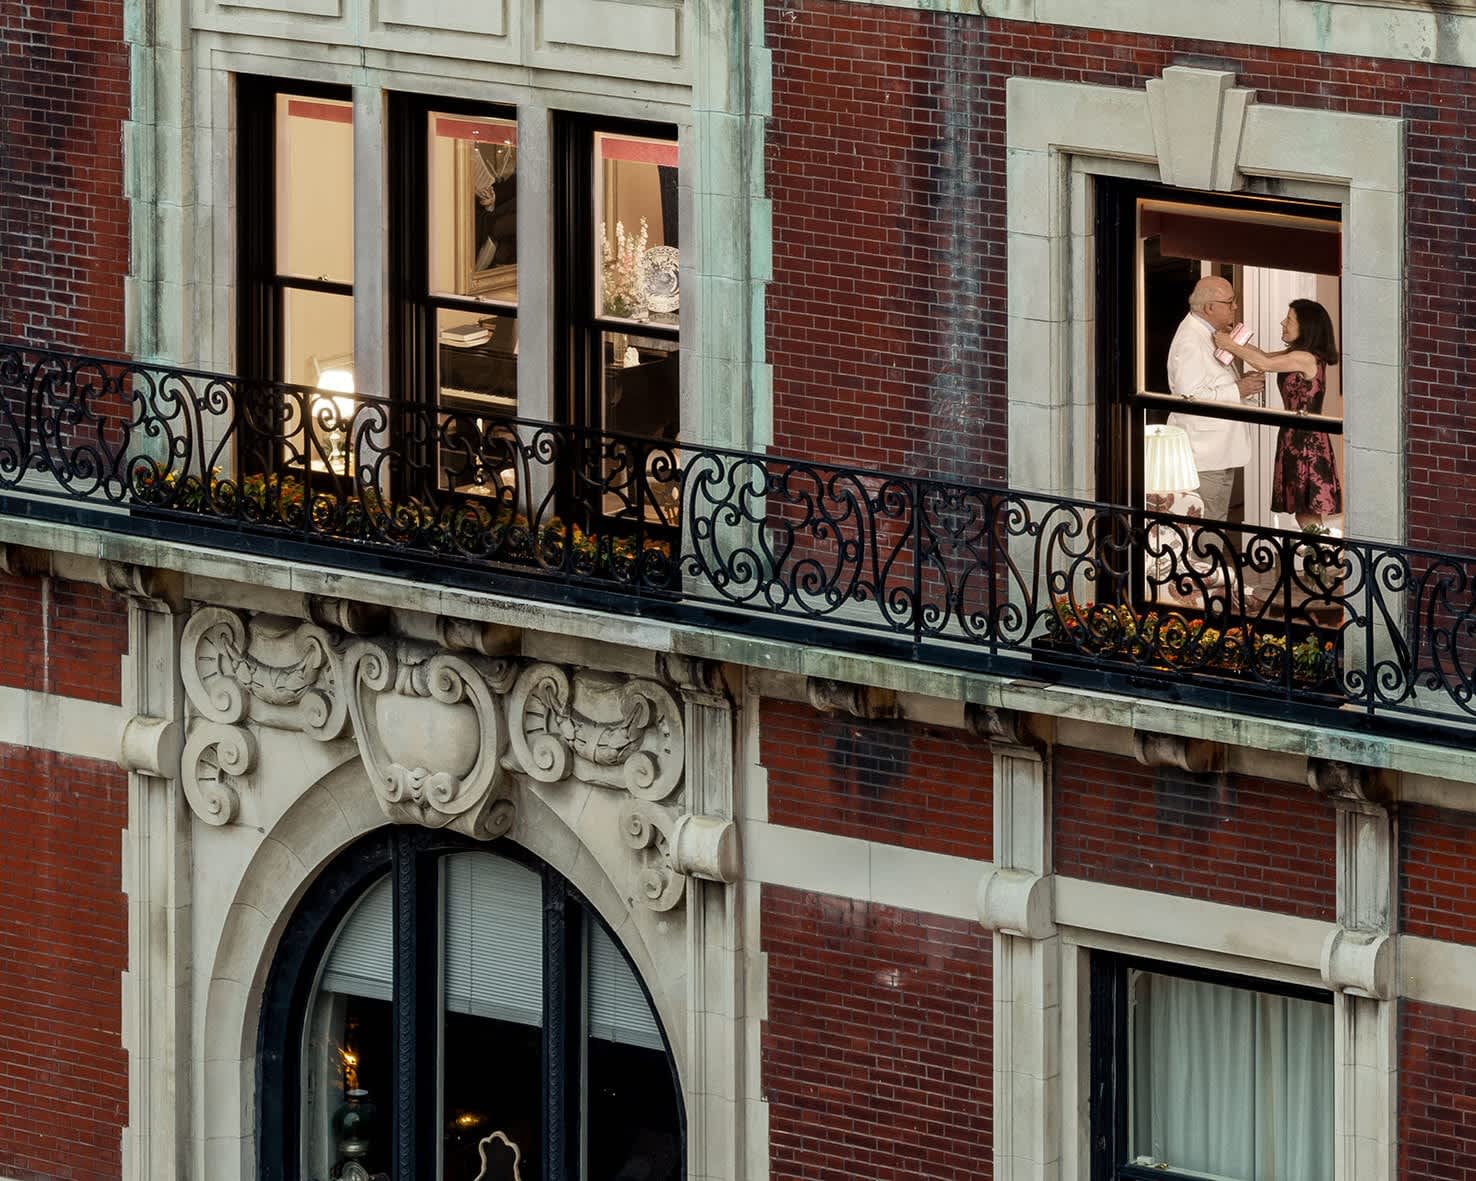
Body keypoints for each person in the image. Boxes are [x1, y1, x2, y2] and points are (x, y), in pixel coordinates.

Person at [1214, 299, 1341, 530]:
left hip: (1306, 442)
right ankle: (1319, 560)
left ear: (1306, 326)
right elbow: (1263, 356)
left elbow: (1263, 364)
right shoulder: (1297, 354)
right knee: (1304, 514)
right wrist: (1234, 339)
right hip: (1294, 438)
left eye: (1289, 319)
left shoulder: (1305, 358)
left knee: (1307, 512)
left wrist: (1228, 345)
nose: (1283, 323)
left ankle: (1321, 560)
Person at [1165, 276, 1265, 523]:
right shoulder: (1190, 340)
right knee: (1207, 526)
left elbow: (1213, 383)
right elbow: (1190, 399)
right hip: (1205, 456)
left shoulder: (1208, 333)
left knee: (1214, 520)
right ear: (1210, 307)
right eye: (1230, 302)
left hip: (1218, 452)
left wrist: (1245, 391)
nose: (1235, 307)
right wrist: (1239, 390)